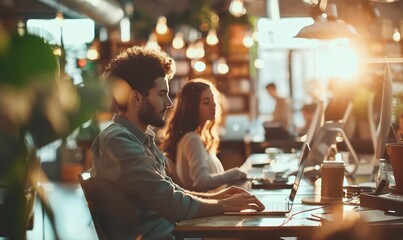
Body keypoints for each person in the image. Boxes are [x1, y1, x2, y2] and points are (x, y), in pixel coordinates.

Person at [90, 46, 264, 239]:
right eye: (162, 94)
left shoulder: (141, 138)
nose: (169, 103)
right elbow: (171, 203)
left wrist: (218, 197)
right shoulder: (118, 140)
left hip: (176, 231)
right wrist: (225, 205)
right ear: (136, 97)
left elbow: (172, 191)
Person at [161, 79, 247, 192]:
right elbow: (201, 183)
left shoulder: (193, 137)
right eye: (206, 102)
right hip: (212, 207)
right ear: (192, 107)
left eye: (213, 100)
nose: (214, 106)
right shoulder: (192, 139)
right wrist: (236, 172)